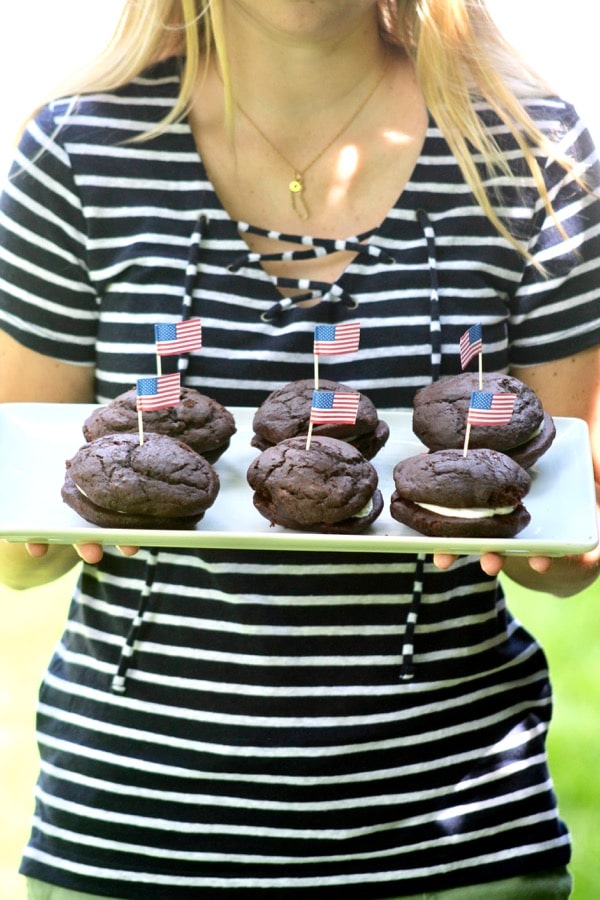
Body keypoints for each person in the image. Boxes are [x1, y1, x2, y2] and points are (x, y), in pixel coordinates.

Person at [0, 1, 599, 898]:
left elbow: (562, 514)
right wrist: (43, 531)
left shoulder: (531, 148)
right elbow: (19, 513)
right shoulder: (79, 151)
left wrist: (551, 549)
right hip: (132, 833)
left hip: (454, 842)